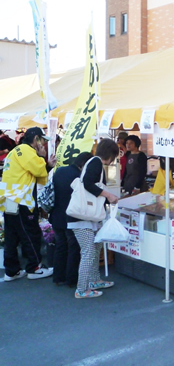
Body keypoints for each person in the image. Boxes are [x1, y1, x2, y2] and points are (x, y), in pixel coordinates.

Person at [1, 127, 56, 281]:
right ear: (36, 139)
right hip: (22, 200)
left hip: (10, 199)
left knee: (12, 237)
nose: (43, 144)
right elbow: (39, 172)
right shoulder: (27, 151)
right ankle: (34, 268)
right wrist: (42, 157)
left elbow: (39, 175)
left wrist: (47, 165)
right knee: (30, 233)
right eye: (42, 140)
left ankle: (11, 271)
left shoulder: (15, 151)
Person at [69, 139, 120, 299]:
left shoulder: (93, 162)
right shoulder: (96, 163)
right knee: (89, 252)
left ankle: (94, 280)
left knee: (95, 247)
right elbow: (88, 184)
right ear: (111, 154)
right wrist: (109, 195)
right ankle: (82, 289)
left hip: (88, 217)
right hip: (82, 217)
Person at [49, 152, 93, 287]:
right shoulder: (79, 177)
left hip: (56, 215)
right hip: (71, 217)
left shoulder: (60, 171)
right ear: (84, 164)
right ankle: (71, 279)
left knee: (60, 246)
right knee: (74, 248)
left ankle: (58, 277)